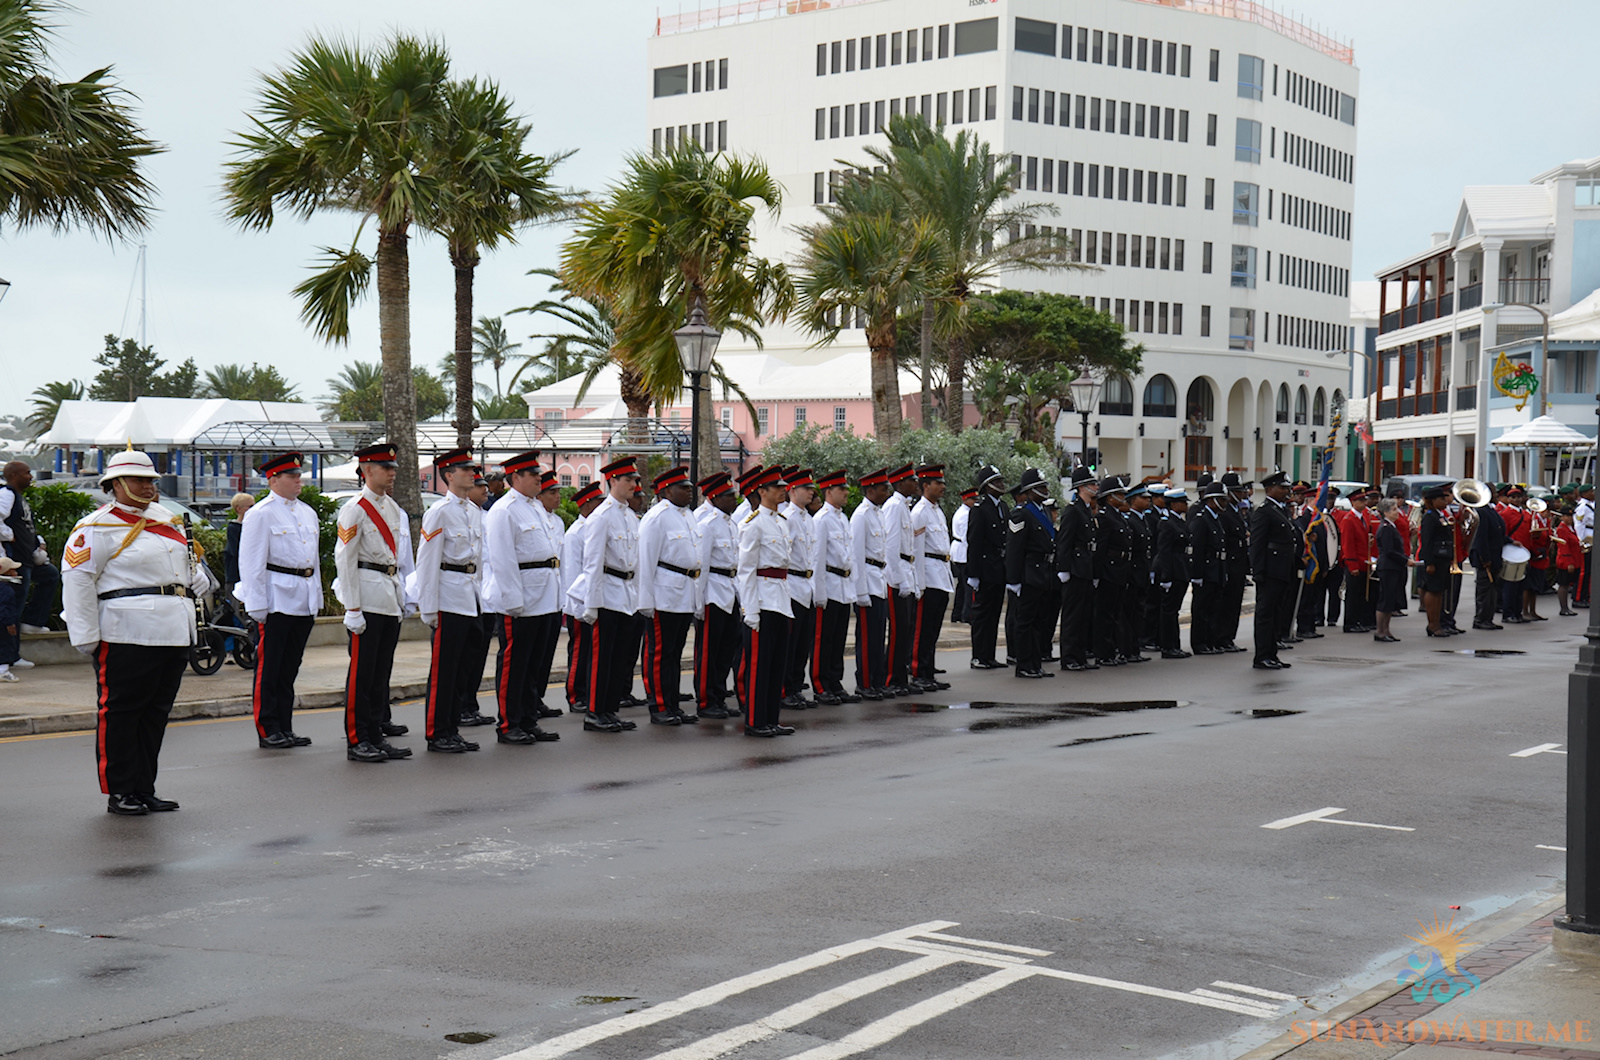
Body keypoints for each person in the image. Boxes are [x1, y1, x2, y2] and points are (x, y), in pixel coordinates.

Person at [61, 449, 212, 814]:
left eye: (151, 480)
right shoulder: (95, 527)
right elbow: (78, 581)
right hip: (126, 631)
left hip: (174, 630)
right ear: (115, 484)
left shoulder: (168, 521)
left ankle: (145, 787)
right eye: (140, 480)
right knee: (122, 715)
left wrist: (198, 578)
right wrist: (86, 638)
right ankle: (121, 790)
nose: (148, 486)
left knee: (155, 714)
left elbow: (185, 565)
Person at [334, 442, 414, 763]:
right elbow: (345, 560)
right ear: (367, 471)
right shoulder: (354, 508)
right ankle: (358, 740)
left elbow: (397, 559)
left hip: (388, 595)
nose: (392, 473)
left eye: (393, 468)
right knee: (362, 674)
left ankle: (376, 735)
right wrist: (352, 608)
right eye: (386, 468)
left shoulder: (393, 509)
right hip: (366, 598)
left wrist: (402, 596)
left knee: (380, 673)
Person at [237, 451, 321, 750]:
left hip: (302, 597)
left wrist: (317, 596)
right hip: (276, 600)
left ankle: (285, 726)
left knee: (290, 667)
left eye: (299, 475)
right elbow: (250, 563)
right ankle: (268, 727)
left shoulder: (307, 512)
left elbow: (314, 561)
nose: (299, 480)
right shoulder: (261, 513)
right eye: (292, 475)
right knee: (270, 668)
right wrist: (256, 604)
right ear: (273, 479)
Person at [481, 452, 565, 747]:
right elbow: (501, 559)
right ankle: (509, 723)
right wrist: (512, 600)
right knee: (515, 665)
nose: (539, 479)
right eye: (533, 475)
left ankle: (529, 720)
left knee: (534, 665)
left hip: (544, 596)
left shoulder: (536, 509)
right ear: (515, 477)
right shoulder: (504, 510)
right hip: (521, 599)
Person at [577, 457, 644, 734]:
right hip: (607, 592)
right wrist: (591, 604)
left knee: (619, 658)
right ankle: (595, 711)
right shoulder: (601, 516)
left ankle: (610, 709)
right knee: (602, 658)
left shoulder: (629, 515)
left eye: (635, 480)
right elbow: (591, 563)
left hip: (627, 593)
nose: (634, 485)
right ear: (613, 481)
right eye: (628, 479)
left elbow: (636, 560)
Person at [637, 466, 703, 726]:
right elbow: (646, 561)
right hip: (663, 596)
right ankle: (660, 706)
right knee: (660, 653)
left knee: (674, 653)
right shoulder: (656, 518)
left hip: (684, 593)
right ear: (666, 491)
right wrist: (646, 601)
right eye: (683, 488)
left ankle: (673, 703)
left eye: (689, 487)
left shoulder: (688, 517)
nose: (689, 491)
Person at [736, 466, 795, 737]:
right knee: (760, 666)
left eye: (783, 486)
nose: (783, 490)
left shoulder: (782, 521)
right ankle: (756, 721)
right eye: (777, 486)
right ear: (762, 491)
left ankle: (771, 718)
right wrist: (750, 610)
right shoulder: (753, 524)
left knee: (776, 664)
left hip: (781, 598)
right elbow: (746, 570)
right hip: (762, 599)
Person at [693, 472, 742, 717]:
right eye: (729, 496)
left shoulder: (731, 524)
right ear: (715, 497)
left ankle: (719, 697)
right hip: (713, 590)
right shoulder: (707, 524)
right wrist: (698, 601)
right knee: (709, 651)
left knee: (726, 649)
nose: (734, 499)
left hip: (730, 589)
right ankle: (706, 700)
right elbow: (701, 566)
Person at [810, 469, 858, 705]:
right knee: (823, 639)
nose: (846, 493)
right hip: (828, 584)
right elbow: (817, 560)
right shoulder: (821, 520)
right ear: (829, 491)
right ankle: (821, 685)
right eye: (842, 489)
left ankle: (835, 681)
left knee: (839, 638)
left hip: (843, 585)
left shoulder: (842, 518)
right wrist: (819, 593)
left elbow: (850, 555)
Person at [1249, 471, 1302, 670]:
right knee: (1265, 614)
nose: (1287, 492)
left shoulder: (1282, 509)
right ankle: (1262, 656)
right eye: (1283, 488)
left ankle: (1272, 653)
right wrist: (1258, 571)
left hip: (1283, 569)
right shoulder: (1263, 511)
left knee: (1277, 613)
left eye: (1288, 488)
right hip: (1270, 571)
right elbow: (1257, 544)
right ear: (1270, 489)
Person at [2, 460, 62, 636]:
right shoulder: (7, 494)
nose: (30, 477)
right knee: (16, 602)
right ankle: (10, 655)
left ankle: (33, 622)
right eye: (27, 473)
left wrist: (38, 542)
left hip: (28, 556)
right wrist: (9, 536)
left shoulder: (19, 498)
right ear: (13, 475)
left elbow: (26, 526)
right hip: (16, 558)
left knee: (50, 575)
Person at [1006, 468, 1056, 678]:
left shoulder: (1042, 511)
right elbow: (1014, 549)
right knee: (1024, 622)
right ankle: (1024, 664)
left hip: (1043, 572)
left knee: (1039, 621)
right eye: (1040, 487)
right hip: (1029, 574)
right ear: (1029, 490)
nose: (1045, 490)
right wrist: (1013, 580)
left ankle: (1035, 663)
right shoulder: (1021, 513)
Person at [561, 481, 605, 713]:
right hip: (579, 602)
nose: (601, 507)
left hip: (596, 599)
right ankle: (576, 694)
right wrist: (578, 606)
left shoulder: (597, 527)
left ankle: (590, 692)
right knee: (580, 650)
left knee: (593, 651)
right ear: (586, 505)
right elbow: (572, 573)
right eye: (598, 503)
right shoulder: (576, 533)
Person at [778, 468, 819, 708]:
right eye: (807, 489)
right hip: (792, 584)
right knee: (790, 644)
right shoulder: (787, 518)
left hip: (807, 585)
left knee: (803, 644)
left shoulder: (808, 519)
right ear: (792, 490)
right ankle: (785, 689)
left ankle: (795, 687)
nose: (811, 492)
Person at [910, 464, 953, 691]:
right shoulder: (919, 513)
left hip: (940, 573)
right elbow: (916, 551)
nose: (942, 487)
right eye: (938, 483)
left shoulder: (936, 510)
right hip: (927, 573)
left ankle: (929, 671)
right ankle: (918, 672)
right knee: (923, 629)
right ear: (925, 486)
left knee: (934, 628)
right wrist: (919, 583)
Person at [850, 468, 892, 698]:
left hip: (879, 578)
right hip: (867, 579)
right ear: (871, 490)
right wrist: (860, 591)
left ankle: (877, 680)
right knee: (867, 639)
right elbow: (856, 556)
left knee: (878, 637)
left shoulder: (878, 513)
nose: (887, 492)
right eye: (883, 488)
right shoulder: (861, 515)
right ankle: (865, 683)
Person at [882, 465, 922, 696]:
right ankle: (892, 677)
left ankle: (901, 675)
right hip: (896, 576)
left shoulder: (904, 507)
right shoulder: (894, 507)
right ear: (899, 483)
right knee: (898, 630)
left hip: (907, 570)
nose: (916, 483)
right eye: (911, 480)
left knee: (907, 628)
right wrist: (899, 579)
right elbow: (891, 547)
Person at [1054, 466, 1098, 671]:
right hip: (1075, 567)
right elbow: (1065, 541)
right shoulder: (1073, 510)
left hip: (1085, 566)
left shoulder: (1086, 509)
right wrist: (1064, 568)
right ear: (1081, 487)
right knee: (1072, 615)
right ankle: (1069, 657)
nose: (1096, 487)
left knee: (1083, 615)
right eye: (1092, 484)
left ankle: (1079, 656)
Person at [965, 466, 1008, 669]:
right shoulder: (979, 509)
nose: (1001, 485)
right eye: (997, 482)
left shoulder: (1003, 507)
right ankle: (978, 656)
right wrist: (973, 574)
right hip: (984, 568)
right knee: (982, 614)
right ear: (987, 486)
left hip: (999, 568)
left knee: (994, 613)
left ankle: (989, 655)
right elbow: (974, 542)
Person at [1092, 476, 1134, 666]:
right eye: (1119, 494)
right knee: (1105, 614)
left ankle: (1113, 649)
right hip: (1109, 570)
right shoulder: (1104, 517)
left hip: (1120, 569)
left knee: (1116, 613)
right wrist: (1097, 575)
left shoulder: (1117, 516)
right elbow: (1100, 549)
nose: (1123, 497)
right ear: (1109, 498)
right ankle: (1104, 653)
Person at [1153, 487, 1192, 658]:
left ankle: (1174, 645)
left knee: (1173, 610)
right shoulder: (1166, 523)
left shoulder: (1179, 522)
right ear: (1174, 504)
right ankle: (1168, 647)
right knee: (1168, 611)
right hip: (1173, 571)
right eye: (1183, 502)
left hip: (1181, 570)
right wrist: (1166, 577)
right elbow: (1164, 552)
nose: (1185, 505)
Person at [1218, 472, 1252, 652]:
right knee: (1228, 605)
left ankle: (1229, 637)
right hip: (1230, 565)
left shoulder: (1235, 511)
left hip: (1238, 565)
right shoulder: (1224, 513)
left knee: (1234, 604)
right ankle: (1223, 638)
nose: (1242, 494)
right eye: (1238, 491)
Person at [1334, 490, 1377, 633]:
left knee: (1360, 595)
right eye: (1361, 501)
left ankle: (1358, 621)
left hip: (1363, 562)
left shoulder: (1363, 518)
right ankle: (1350, 623)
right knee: (1352, 595)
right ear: (1353, 502)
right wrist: (1352, 565)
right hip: (1355, 563)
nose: (1364, 503)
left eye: (1364, 500)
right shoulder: (1348, 520)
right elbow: (1348, 545)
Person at [1416, 485, 1455, 636]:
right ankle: (1432, 624)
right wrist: (1429, 562)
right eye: (1440, 498)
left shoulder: (1440, 515)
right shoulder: (1430, 517)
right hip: (1435, 559)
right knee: (1433, 591)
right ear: (1432, 501)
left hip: (1443, 559)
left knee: (1439, 592)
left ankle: (1437, 623)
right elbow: (1427, 541)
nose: (1445, 500)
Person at [1468, 485, 1507, 630]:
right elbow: (1481, 538)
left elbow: (1498, 533)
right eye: (1495, 493)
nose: (1497, 495)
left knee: (1492, 591)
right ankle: (1480, 619)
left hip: (1495, 555)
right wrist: (1485, 558)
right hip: (1487, 558)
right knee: (1485, 590)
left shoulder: (1490, 510)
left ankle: (1488, 618)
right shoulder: (1482, 512)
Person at [1373, 498, 1410, 642]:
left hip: (1393, 567)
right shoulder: (1386, 528)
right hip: (1388, 567)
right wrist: (1405, 560)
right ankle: (1380, 631)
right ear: (1386, 513)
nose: (1397, 512)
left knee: (1391, 601)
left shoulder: (1391, 526)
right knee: (1385, 600)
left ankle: (1386, 630)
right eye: (1394, 510)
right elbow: (1389, 551)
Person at [949, 487, 977, 624]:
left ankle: (957, 614)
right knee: (968, 586)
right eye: (973, 499)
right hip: (963, 552)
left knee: (961, 586)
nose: (975, 502)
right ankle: (967, 614)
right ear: (966, 500)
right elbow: (968, 536)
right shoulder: (966, 514)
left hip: (959, 551)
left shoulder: (962, 512)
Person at [222, 491, 254, 602]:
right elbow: (238, 551)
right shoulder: (234, 528)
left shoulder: (252, 527)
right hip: (235, 576)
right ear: (239, 509)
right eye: (250, 506)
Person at [1556, 505, 1584, 617]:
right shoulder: (1562, 529)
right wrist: (1569, 563)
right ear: (1561, 517)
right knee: (1563, 584)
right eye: (1566, 516)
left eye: (1570, 516)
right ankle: (1564, 608)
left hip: (1574, 559)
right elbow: (1564, 547)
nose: (1569, 518)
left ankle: (1566, 608)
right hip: (1565, 561)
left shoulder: (1570, 528)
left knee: (1567, 584)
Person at [1576, 483, 1594, 606]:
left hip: (1592, 537)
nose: (1593, 493)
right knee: (1585, 571)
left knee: (1590, 570)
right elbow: (1579, 525)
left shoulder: (1590, 505)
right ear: (1584, 494)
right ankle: (1579, 598)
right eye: (1591, 491)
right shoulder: (1582, 507)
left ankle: (1587, 595)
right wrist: (1581, 541)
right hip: (1587, 538)